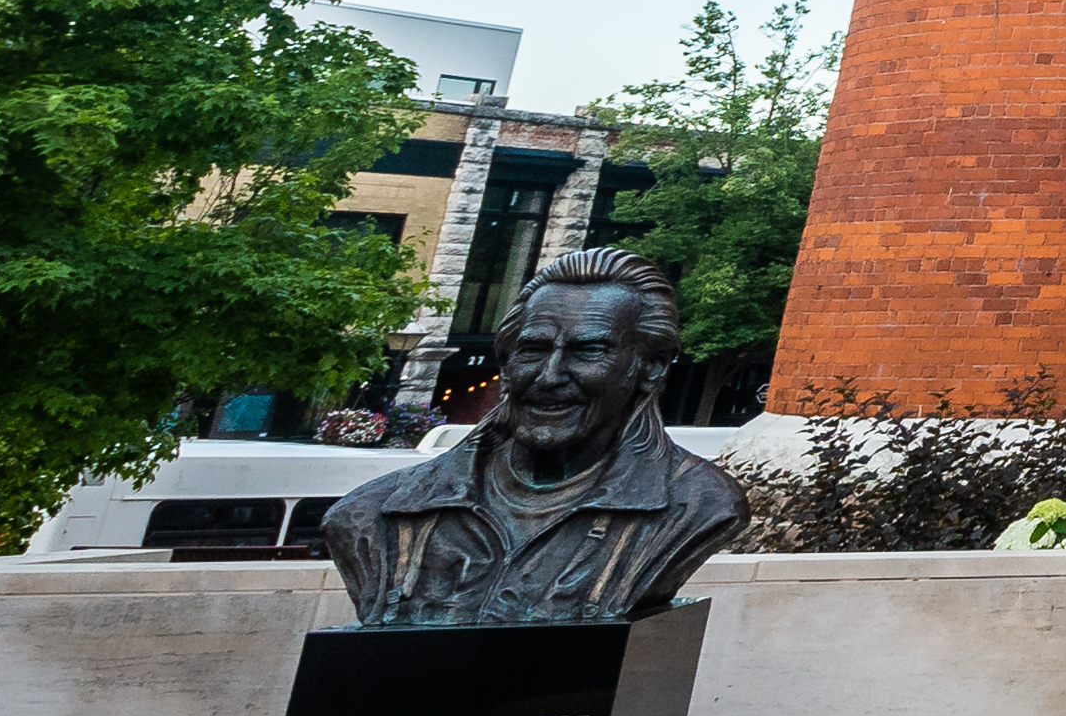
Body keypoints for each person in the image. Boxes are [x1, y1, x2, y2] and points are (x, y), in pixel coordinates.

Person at [315, 249, 745, 628]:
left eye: (588, 351)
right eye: (533, 350)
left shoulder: (698, 504)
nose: (550, 376)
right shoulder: (371, 515)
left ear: (650, 368)